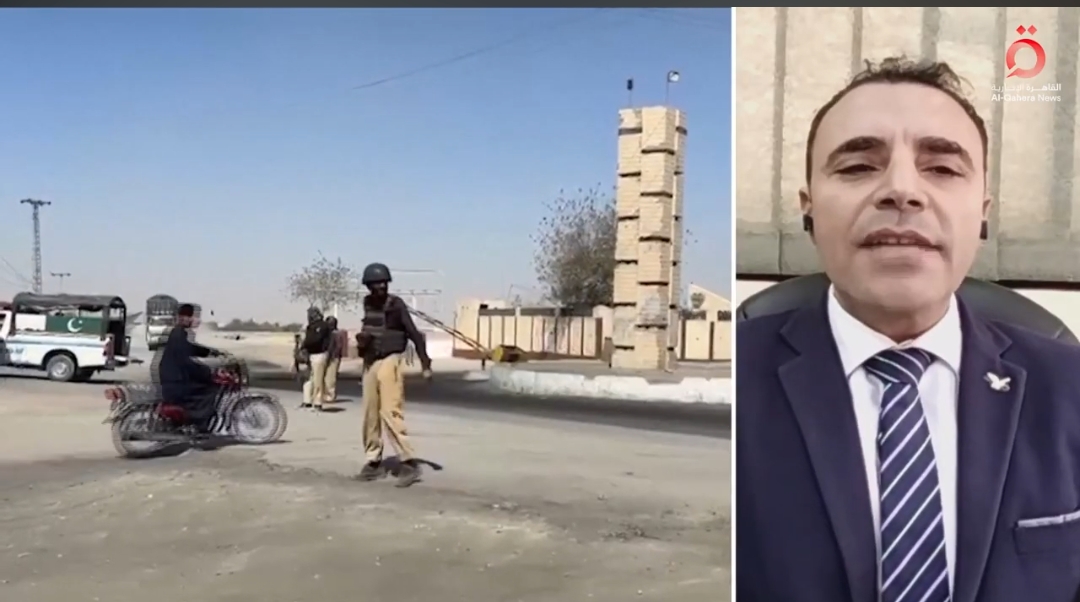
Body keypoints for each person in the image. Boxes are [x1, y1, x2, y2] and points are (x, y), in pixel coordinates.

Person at [736, 57, 1080, 602]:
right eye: (857, 166)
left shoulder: (1069, 386)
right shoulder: (736, 381)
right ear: (809, 210)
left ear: (982, 213)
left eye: (941, 168)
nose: (901, 191)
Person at [353, 262, 432, 488]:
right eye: (376, 283)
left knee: (390, 411)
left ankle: (408, 461)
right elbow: (370, 328)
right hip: (371, 361)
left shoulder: (396, 305)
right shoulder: (368, 304)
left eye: (384, 283)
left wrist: (425, 364)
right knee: (370, 413)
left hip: (391, 359)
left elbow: (414, 334)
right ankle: (373, 461)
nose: (381, 287)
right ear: (368, 286)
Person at [156, 303, 224, 433]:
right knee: (210, 389)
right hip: (175, 382)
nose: (195, 320)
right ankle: (199, 425)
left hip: (172, 378)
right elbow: (185, 362)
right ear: (184, 318)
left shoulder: (178, 333)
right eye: (193, 317)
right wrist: (206, 372)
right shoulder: (179, 334)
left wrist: (210, 352)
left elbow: (189, 348)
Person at [299, 306, 332, 411]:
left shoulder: (322, 326)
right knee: (309, 379)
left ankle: (317, 403)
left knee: (318, 379)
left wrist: (305, 345)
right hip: (310, 355)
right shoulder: (310, 326)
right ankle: (307, 401)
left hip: (319, 354)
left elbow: (315, 340)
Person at [323, 315, 345, 404]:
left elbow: (338, 347)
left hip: (334, 358)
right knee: (326, 377)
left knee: (330, 378)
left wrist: (332, 356)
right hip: (328, 357)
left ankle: (330, 395)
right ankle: (325, 395)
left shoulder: (336, 334)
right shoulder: (328, 334)